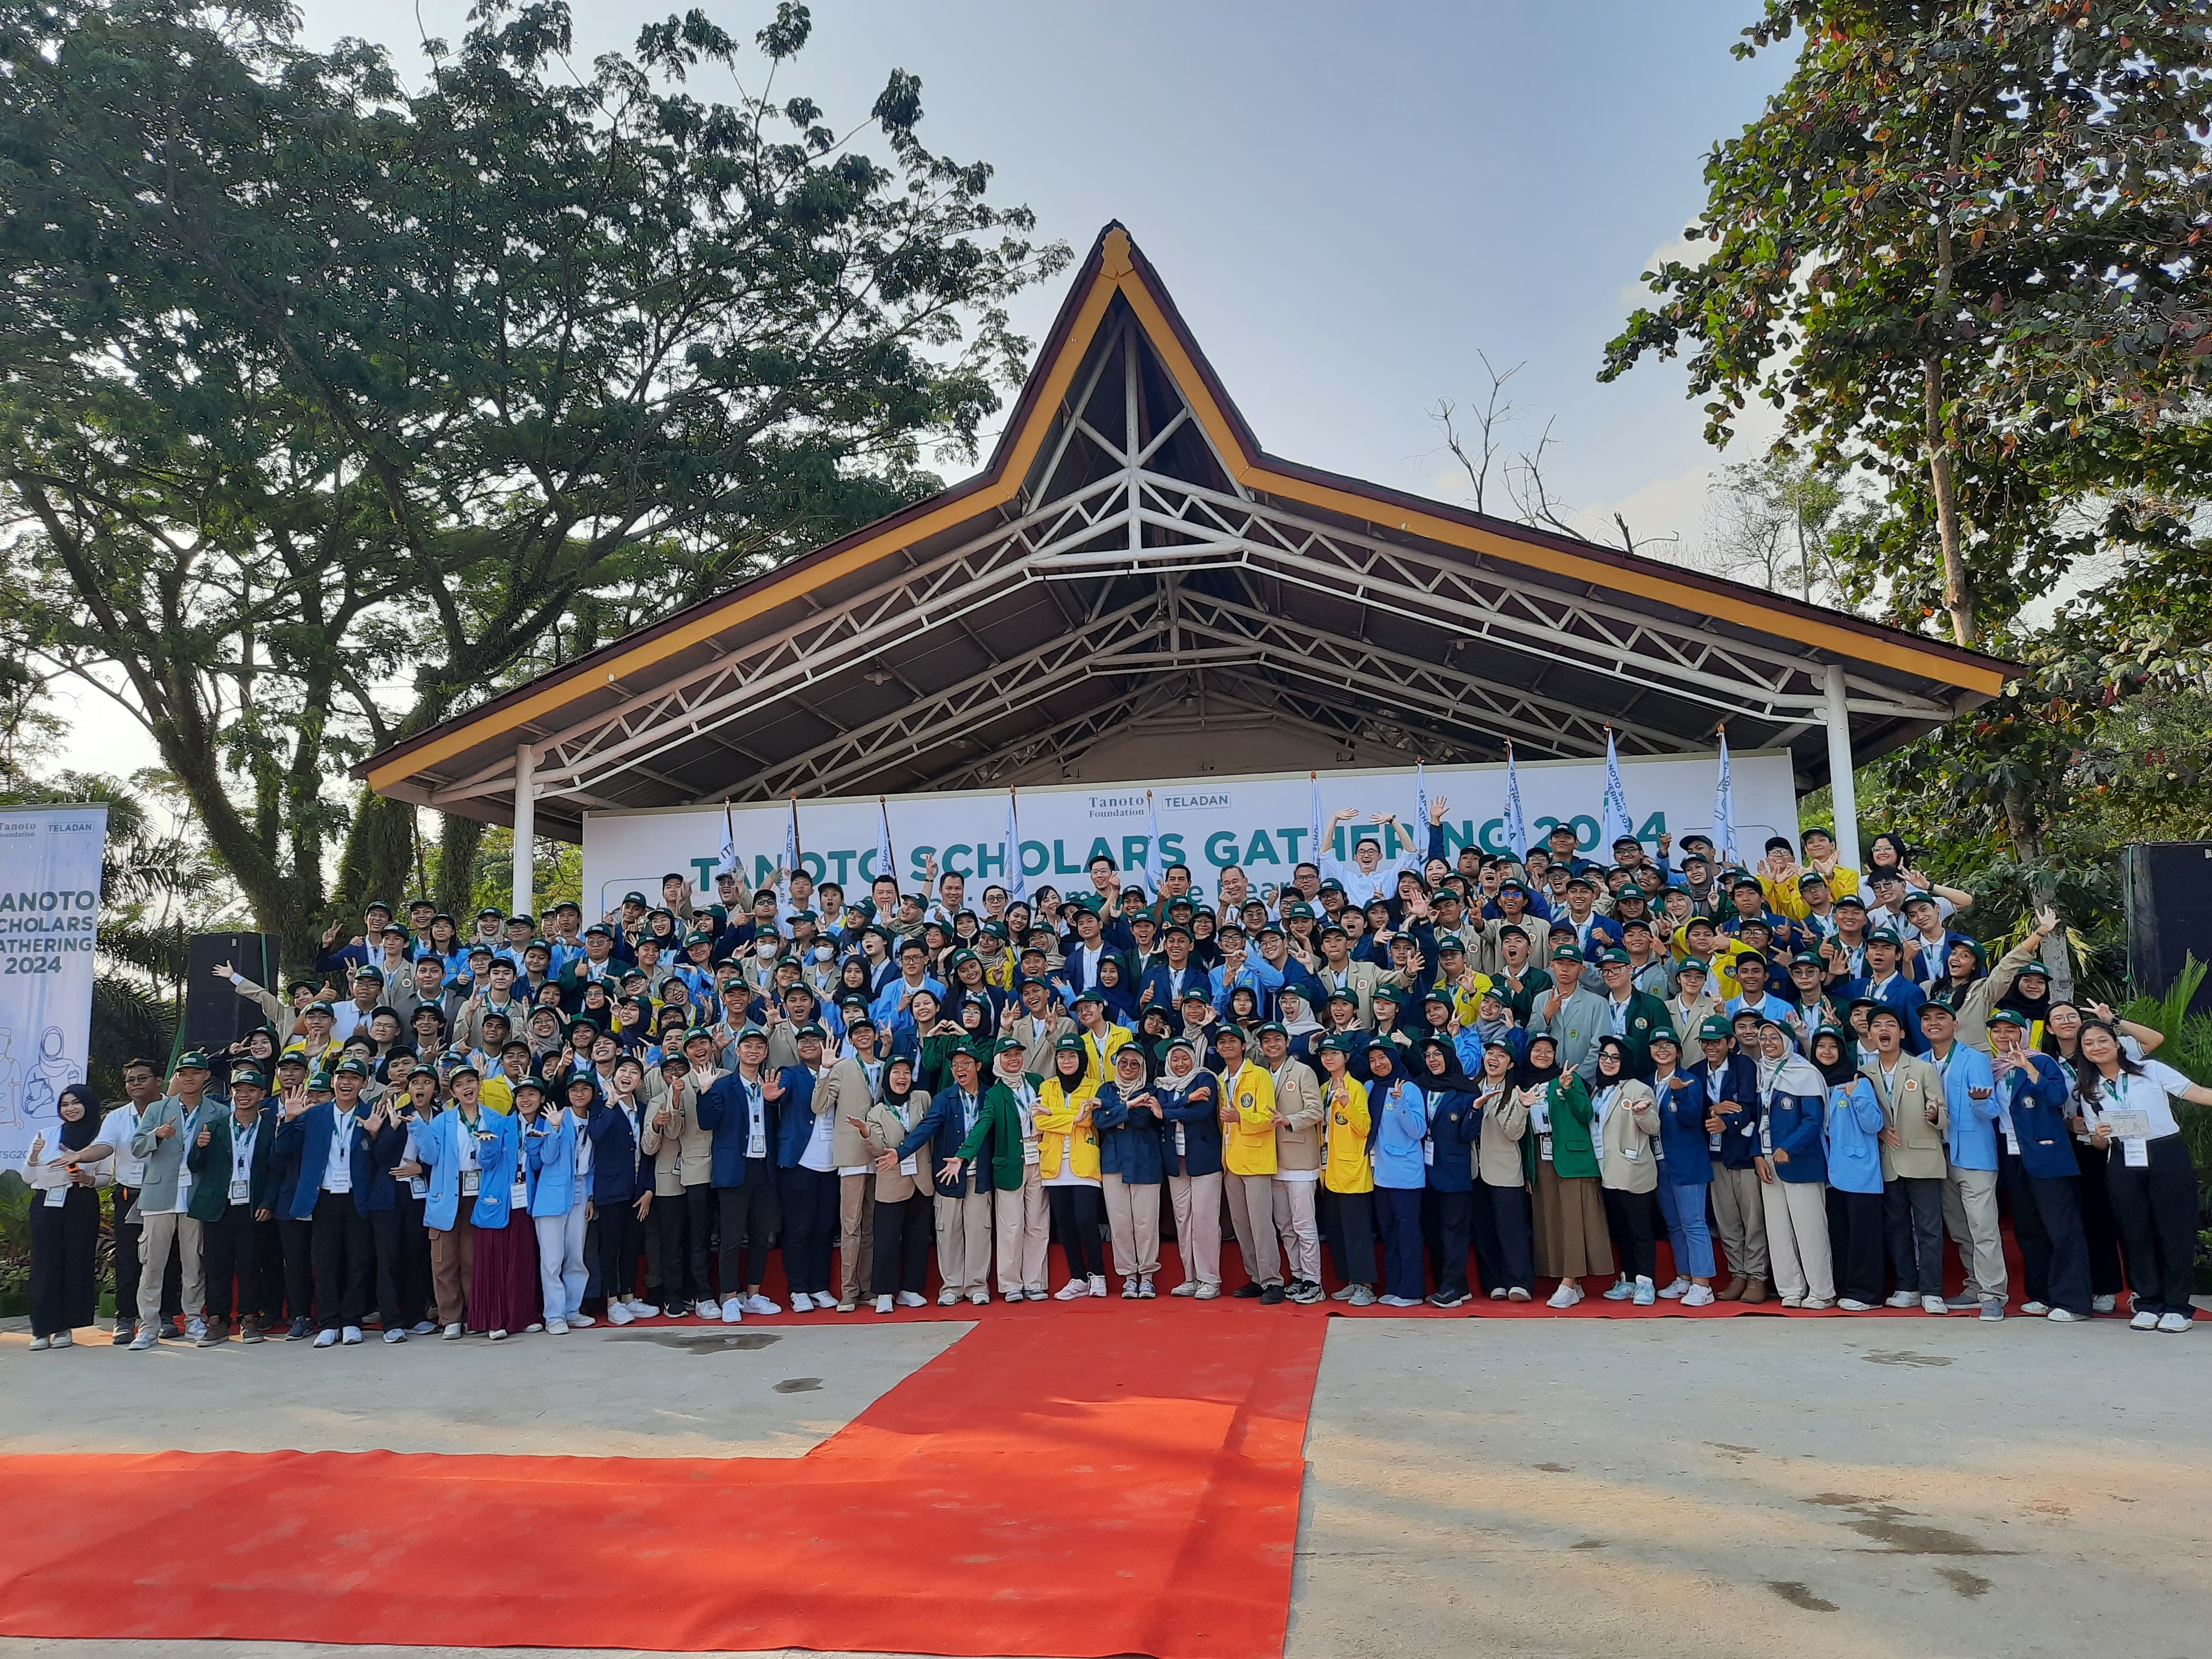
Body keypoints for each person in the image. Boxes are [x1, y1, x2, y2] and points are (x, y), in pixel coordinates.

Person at [2072, 1020, 2209, 1332]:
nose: (2097, 1047)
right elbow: (2097, 1141)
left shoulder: (2150, 1071)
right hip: (2123, 1158)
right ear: (2083, 1052)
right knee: (2136, 1232)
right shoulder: (2088, 1089)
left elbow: (2198, 1093)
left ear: (2117, 1043)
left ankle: (2177, 1306)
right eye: (2089, 1044)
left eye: (2102, 1040)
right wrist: (2102, 1134)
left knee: (2175, 1230)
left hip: (2165, 1153)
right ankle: (2149, 1301)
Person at [1987, 1009, 2090, 1322]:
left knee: (2062, 1228)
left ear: (2024, 1032)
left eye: (2011, 1030)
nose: (2004, 1036)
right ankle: (2042, 1294)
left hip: (2046, 1153)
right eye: (1997, 1031)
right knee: (2030, 1228)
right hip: (2012, 1156)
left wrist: (2030, 1070)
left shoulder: (2042, 1061)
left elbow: (2058, 1096)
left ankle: (2073, 1301)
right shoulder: (1992, 1069)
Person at [942, 1037, 1051, 1301]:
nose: (1013, 1059)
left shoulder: (1039, 1083)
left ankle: (1035, 1281)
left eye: (1017, 1054)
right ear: (997, 1061)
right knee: (1011, 1226)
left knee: (1038, 1224)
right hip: (1011, 1163)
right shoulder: (994, 1094)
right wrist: (963, 1156)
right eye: (1006, 1055)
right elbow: (982, 1126)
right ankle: (1011, 1283)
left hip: (1041, 1159)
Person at [1919, 999, 2006, 1319]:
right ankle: (1974, 1286)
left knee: (1983, 1226)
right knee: (1959, 1228)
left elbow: (1992, 1110)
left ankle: (1993, 1294)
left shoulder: (1975, 1058)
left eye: (1941, 1017)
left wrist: (1981, 1103)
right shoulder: (1919, 1062)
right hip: (1935, 1156)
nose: (1933, 1023)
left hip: (1973, 1155)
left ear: (1955, 1024)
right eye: (1927, 1019)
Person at [126, 1051, 216, 1348]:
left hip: (195, 1196)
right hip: (158, 1195)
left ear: (206, 1076)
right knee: (152, 1263)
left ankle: (193, 1320)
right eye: (183, 1073)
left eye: (195, 1073)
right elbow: (137, 1147)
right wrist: (157, 1135)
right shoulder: (157, 1109)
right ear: (177, 1077)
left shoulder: (218, 1111)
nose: (189, 1078)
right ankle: (148, 1327)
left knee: (194, 1263)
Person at [1864, 1007, 1949, 1314]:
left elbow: (1942, 1115)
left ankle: (1932, 1291)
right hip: (1888, 1161)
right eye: (1877, 1026)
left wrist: (1935, 1114)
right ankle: (1907, 1287)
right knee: (1896, 1227)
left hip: (1923, 1157)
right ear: (1871, 1035)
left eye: (1891, 1025)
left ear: (1901, 1034)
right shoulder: (1865, 1073)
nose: (1884, 1030)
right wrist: (1879, 1132)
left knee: (1929, 1228)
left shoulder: (1923, 1068)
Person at [695, 1026, 782, 1321]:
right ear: (739, 1052)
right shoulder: (722, 1085)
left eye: (760, 1046)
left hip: (764, 1168)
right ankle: (729, 1296)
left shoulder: (770, 1084)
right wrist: (705, 1091)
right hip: (734, 1169)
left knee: (761, 1236)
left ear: (765, 1053)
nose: (754, 1051)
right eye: (748, 1046)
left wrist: (773, 1103)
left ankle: (753, 1294)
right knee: (731, 1237)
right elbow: (708, 1122)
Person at [186, 1065, 278, 1344]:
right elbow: (194, 1165)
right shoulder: (214, 1127)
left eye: (251, 1090)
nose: (244, 1095)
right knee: (217, 1265)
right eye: (239, 1090)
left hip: (252, 1205)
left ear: (262, 1094)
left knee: (250, 1264)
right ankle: (217, 1320)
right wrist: (200, 1147)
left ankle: (249, 1318)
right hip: (219, 1206)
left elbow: (277, 1170)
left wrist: (269, 1201)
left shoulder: (271, 1128)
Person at [1750, 1018, 1834, 1310]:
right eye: (1764, 1038)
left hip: (1801, 1162)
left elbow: (1813, 1120)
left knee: (1809, 1229)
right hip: (1769, 1162)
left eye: (1774, 1037)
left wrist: (1789, 1147)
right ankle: (1790, 1288)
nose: (1768, 1043)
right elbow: (1758, 1119)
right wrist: (1758, 1154)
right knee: (1778, 1229)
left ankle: (1822, 1291)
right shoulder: (1762, 1073)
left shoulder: (1805, 1074)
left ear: (1788, 1041)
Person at [1521, 1034, 1608, 1309]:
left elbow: (1586, 1113)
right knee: (1552, 1222)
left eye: (1549, 1051)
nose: (1543, 1055)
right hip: (1541, 1159)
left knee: (1574, 1223)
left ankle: (1569, 1282)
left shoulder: (1569, 1079)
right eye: (1538, 1050)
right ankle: (1571, 1282)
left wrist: (1569, 1089)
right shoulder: (1523, 1085)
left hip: (1571, 1158)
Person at [24, 1082, 108, 1349]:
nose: (70, 1109)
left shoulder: (99, 1138)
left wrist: (85, 1178)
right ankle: (41, 1329)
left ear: (88, 1105)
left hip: (80, 1202)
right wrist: (35, 1156)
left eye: (76, 1103)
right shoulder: (46, 1134)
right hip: (46, 1202)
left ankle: (65, 1327)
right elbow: (28, 1178)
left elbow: (105, 1178)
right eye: (65, 1104)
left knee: (75, 1262)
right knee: (45, 1263)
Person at [1694, 1016, 1768, 1303]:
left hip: (1743, 1154)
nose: (1711, 1047)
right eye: (1706, 1042)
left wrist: (1729, 1122)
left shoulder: (1744, 1066)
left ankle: (1757, 1278)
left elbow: (1750, 1107)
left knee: (1753, 1220)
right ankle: (1738, 1274)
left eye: (1716, 1042)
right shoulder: (1695, 1071)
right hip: (1713, 1157)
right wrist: (1714, 1110)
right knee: (1727, 1222)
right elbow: (1693, 1111)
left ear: (1730, 1043)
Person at [1813, 1027, 1886, 1311]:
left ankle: (1867, 1293)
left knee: (1864, 1235)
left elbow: (1874, 1124)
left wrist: (1857, 1095)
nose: (1827, 1052)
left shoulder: (1858, 1081)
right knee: (1840, 1234)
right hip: (1830, 1173)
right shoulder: (1814, 1082)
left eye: (1833, 1046)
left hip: (1859, 1172)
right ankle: (1844, 1287)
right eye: (1821, 1046)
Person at [1588, 1036, 1663, 1306]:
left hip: (1632, 1172)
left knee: (1639, 1230)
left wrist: (1642, 1113)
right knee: (1620, 1230)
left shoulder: (1638, 1089)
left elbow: (1653, 1127)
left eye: (1615, 1057)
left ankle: (1646, 1282)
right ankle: (1629, 1279)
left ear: (1626, 1061)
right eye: (1605, 1056)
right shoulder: (1598, 1091)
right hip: (1605, 1172)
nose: (1609, 1062)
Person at [858, 1053, 934, 1312]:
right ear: (887, 1077)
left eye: (905, 1073)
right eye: (895, 1072)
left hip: (922, 1179)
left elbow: (930, 1132)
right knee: (887, 1239)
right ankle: (884, 1293)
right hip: (892, 1182)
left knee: (918, 1236)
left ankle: (911, 1289)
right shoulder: (876, 1113)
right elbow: (879, 1150)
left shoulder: (922, 1098)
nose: (901, 1078)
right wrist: (867, 1133)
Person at [1213, 1024, 1283, 1302]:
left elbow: (1269, 1118)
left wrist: (1241, 1118)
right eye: (1222, 1042)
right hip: (1231, 1161)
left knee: (1261, 1224)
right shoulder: (1220, 1078)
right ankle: (1256, 1277)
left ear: (1244, 1046)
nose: (1227, 1045)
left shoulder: (1260, 1075)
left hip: (1256, 1159)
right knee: (1241, 1224)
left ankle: (1273, 1281)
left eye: (1233, 1041)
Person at [1645, 1030, 1716, 1306]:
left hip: (1688, 1164)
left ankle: (1703, 1284)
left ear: (1677, 1051)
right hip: (1659, 1164)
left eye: (1668, 1046)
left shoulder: (1690, 1081)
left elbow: (1690, 1120)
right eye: (1657, 1046)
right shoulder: (1645, 1083)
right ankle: (1684, 1277)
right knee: (1675, 1225)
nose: (1662, 1050)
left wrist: (1681, 1094)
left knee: (1694, 1224)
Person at [1034, 1034, 1107, 1298]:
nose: (1067, 1061)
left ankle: (1098, 1275)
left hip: (1084, 1162)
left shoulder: (1095, 1086)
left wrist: (1055, 1114)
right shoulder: (1048, 1085)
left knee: (1086, 1219)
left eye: (1072, 1056)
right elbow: (1039, 1122)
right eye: (1062, 1056)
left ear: (1082, 1059)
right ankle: (1077, 1277)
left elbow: (1088, 1121)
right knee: (1065, 1224)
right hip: (1054, 1163)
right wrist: (1072, 1117)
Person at [1154, 1036, 1224, 1298]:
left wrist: (1168, 1111)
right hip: (1176, 1161)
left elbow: (1201, 1113)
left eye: (1185, 1058)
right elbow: (1155, 1112)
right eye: (1176, 1059)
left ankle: (1210, 1279)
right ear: (1168, 1061)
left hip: (1204, 1158)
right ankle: (1190, 1277)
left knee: (1205, 1219)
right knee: (1183, 1220)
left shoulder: (1205, 1078)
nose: (1181, 1063)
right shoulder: (1161, 1085)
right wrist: (1184, 1102)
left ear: (1194, 1058)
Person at [1413, 1036, 1480, 1308]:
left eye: (1438, 1054)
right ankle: (1453, 1285)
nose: (1433, 1060)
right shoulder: (1418, 1087)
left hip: (1454, 1174)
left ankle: (1452, 1287)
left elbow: (1467, 1135)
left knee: (1454, 1231)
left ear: (1450, 1057)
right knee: (1434, 1230)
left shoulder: (1467, 1092)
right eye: (1428, 1055)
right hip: (1424, 1172)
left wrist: (1475, 1111)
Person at [1094, 1042, 1165, 1298]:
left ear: (1142, 1067)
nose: (1128, 1067)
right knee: (1120, 1223)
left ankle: (1147, 1275)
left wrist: (1118, 1111)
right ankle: (1128, 1277)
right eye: (1123, 1062)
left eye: (1135, 1063)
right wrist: (1131, 1106)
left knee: (1146, 1223)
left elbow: (1144, 1119)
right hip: (1114, 1163)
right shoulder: (1106, 1089)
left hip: (1145, 1161)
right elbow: (1100, 1121)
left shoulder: (1151, 1090)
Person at [526, 1077, 596, 1334]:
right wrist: (554, 1130)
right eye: (574, 1090)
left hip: (582, 1189)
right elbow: (544, 1157)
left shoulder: (594, 1119)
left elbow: (595, 1164)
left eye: (584, 1089)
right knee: (552, 1259)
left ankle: (572, 1310)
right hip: (552, 1193)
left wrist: (591, 1196)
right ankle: (554, 1315)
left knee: (576, 1255)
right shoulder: (555, 1117)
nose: (579, 1094)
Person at [1315, 1032, 1378, 1306]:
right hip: (1330, 1171)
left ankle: (1366, 1285)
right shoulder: (1323, 1088)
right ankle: (1352, 1282)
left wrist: (1347, 1106)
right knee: (1339, 1232)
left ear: (1346, 1058)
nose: (1329, 1058)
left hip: (1352, 1171)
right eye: (1325, 1055)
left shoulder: (1355, 1088)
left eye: (1335, 1054)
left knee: (1358, 1233)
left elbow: (1365, 1127)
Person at [1472, 1037, 1534, 1300]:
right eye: (1490, 1053)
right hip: (1476, 1170)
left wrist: (1522, 1107)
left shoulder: (1516, 1092)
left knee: (1512, 1230)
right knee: (1484, 1229)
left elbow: (1513, 1133)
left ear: (1510, 1064)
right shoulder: (1472, 1087)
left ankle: (1518, 1282)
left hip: (1506, 1170)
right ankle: (1494, 1282)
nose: (1493, 1058)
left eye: (1501, 1055)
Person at [1366, 1041, 1428, 1307]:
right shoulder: (1369, 1088)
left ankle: (1412, 1290)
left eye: (1383, 1058)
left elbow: (1418, 1130)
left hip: (1405, 1175)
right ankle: (1393, 1286)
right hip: (1379, 1174)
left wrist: (1401, 1103)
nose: (1378, 1064)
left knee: (1408, 1233)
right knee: (1389, 1233)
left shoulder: (1409, 1088)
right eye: (1373, 1060)